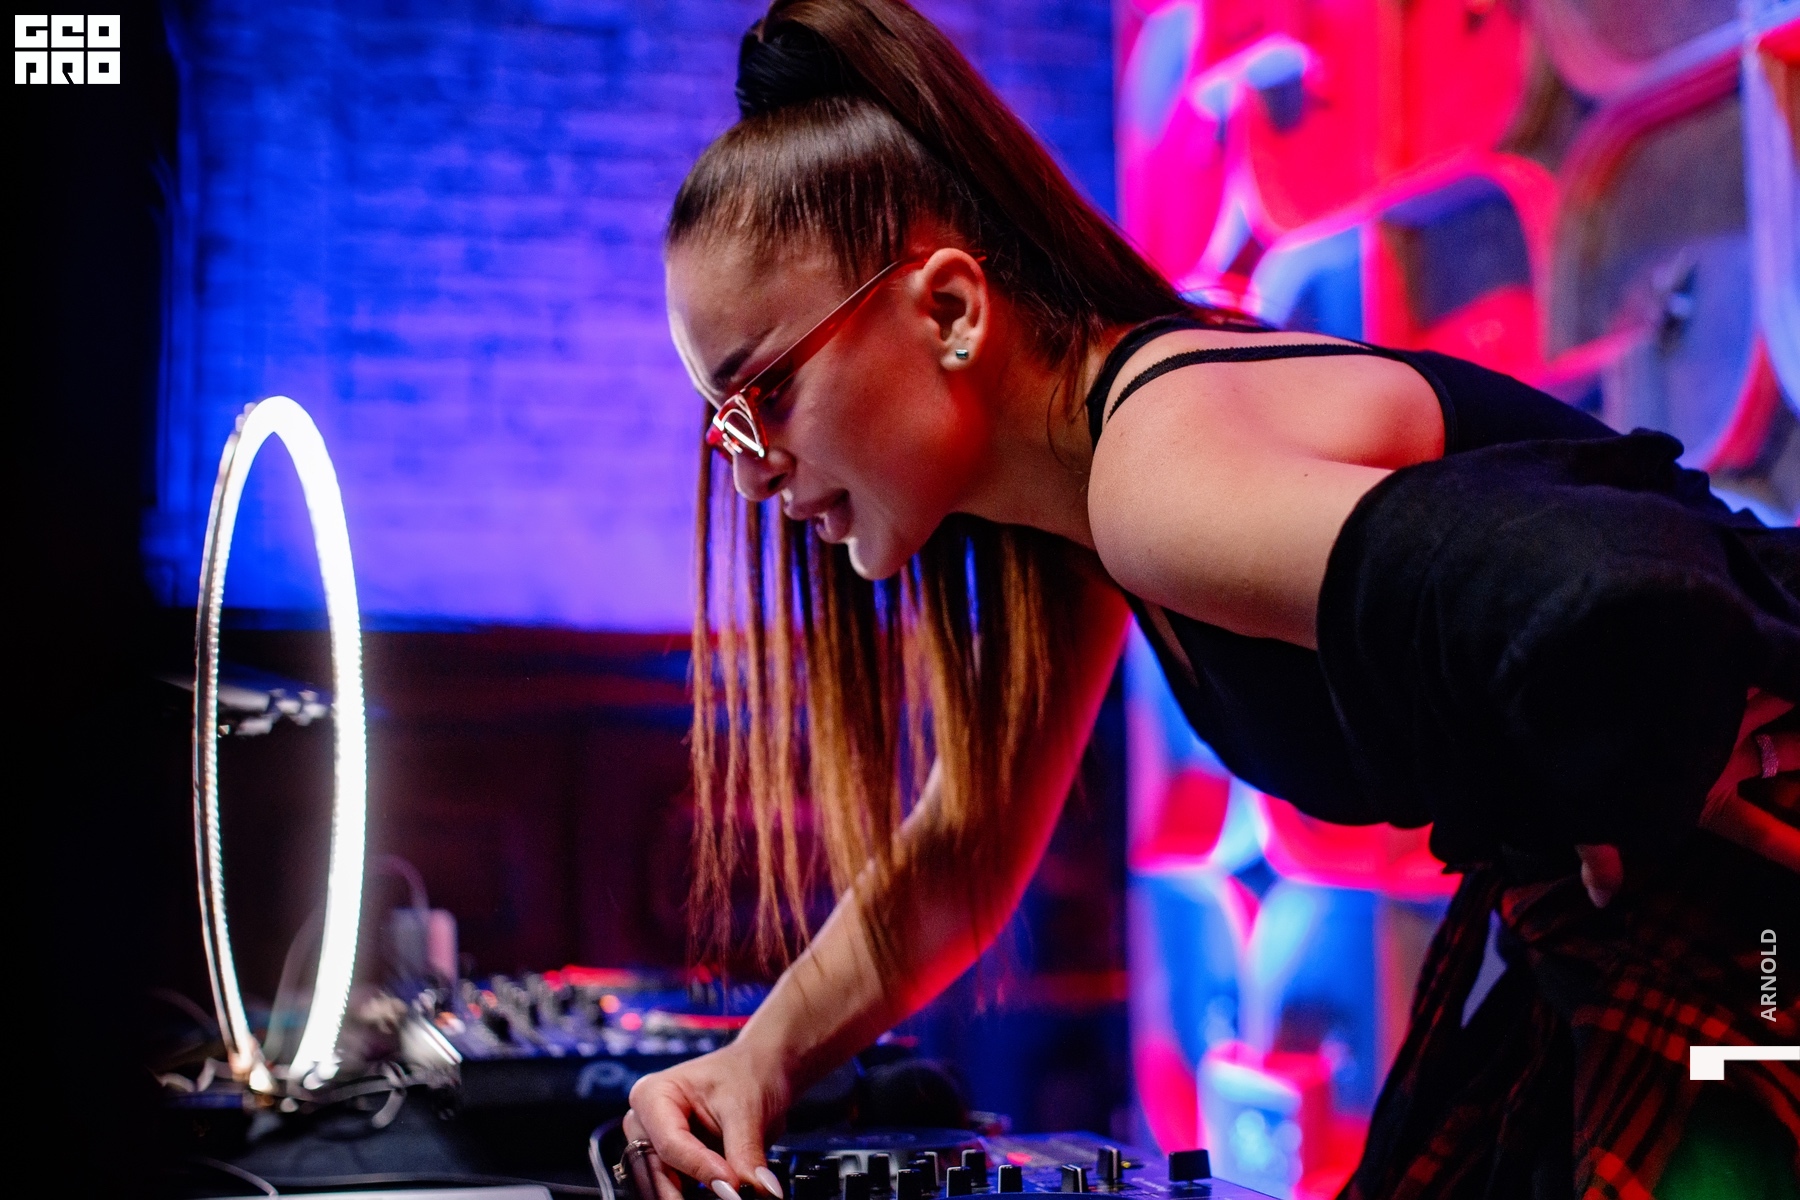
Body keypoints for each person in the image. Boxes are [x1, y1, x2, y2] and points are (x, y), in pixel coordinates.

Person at [626, 2, 1800, 1197]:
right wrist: (752, 1065)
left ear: (950, 311)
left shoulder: (1153, 477)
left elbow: (1625, 602)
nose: (749, 470)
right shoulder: (1090, 501)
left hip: (1760, 911)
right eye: (724, 426)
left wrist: (1632, 768)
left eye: (765, 394)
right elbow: (961, 849)